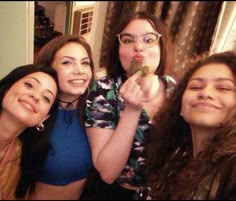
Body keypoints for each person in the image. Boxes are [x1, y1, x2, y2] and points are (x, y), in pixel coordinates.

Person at [82, 11, 175, 200]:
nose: (138, 47)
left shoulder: (177, 90)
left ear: (162, 47)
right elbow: (108, 173)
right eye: (128, 40)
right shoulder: (103, 91)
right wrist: (131, 111)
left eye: (149, 40)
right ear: (118, 49)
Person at [145, 51, 236, 200]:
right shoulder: (174, 160)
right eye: (195, 87)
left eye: (223, 88)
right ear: (179, 107)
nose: (205, 93)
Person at [31, 34, 95, 200]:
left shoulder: (98, 111)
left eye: (85, 63)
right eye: (67, 62)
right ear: (48, 69)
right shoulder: (33, 111)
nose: (80, 70)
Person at [0, 64, 58, 200]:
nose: (36, 96)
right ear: (7, 88)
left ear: (44, 118)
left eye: (46, 98)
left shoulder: (23, 159)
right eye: (29, 85)